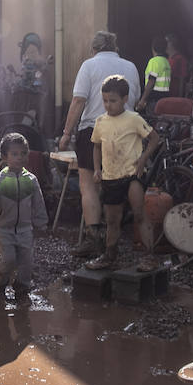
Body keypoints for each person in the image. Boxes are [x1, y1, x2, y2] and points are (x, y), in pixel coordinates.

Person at [56, 31, 141, 259]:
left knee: (89, 185)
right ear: (115, 48)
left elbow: (78, 100)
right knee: (117, 185)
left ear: (94, 49)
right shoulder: (131, 67)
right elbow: (134, 101)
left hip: (94, 130)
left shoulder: (89, 65)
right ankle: (115, 241)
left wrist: (65, 133)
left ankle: (94, 239)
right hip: (125, 132)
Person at [85, 75, 160, 272]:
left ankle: (149, 256)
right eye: (105, 101)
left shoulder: (134, 119)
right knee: (112, 219)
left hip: (132, 173)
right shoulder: (100, 122)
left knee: (138, 212)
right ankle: (110, 255)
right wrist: (96, 169)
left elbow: (154, 138)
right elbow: (96, 147)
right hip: (110, 176)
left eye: (113, 101)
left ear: (125, 99)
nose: (108, 105)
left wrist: (143, 158)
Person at [0, 132, 48, 302]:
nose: (20, 158)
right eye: (15, 154)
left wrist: (42, 224)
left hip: (25, 229)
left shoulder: (31, 180)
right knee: (8, 258)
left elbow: (38, 203)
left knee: (27, 262)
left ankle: (22, 289)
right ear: (4, 157)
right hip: (4, 229)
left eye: (23, 153)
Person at [139, 35, 172, 115]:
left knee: (151, 122)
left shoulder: (154, 61)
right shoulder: (166, 62)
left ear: (153, 48)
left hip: (154, 99)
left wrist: (143, 99)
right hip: (165, 99)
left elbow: (151, 81)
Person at [166, 33, 191, 99]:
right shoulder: (167, 59)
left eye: (166, 42)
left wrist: (180, 98)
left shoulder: (180, 59)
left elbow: (182, 79)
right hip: (166, 95)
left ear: (171, 43)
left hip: (175, 96)